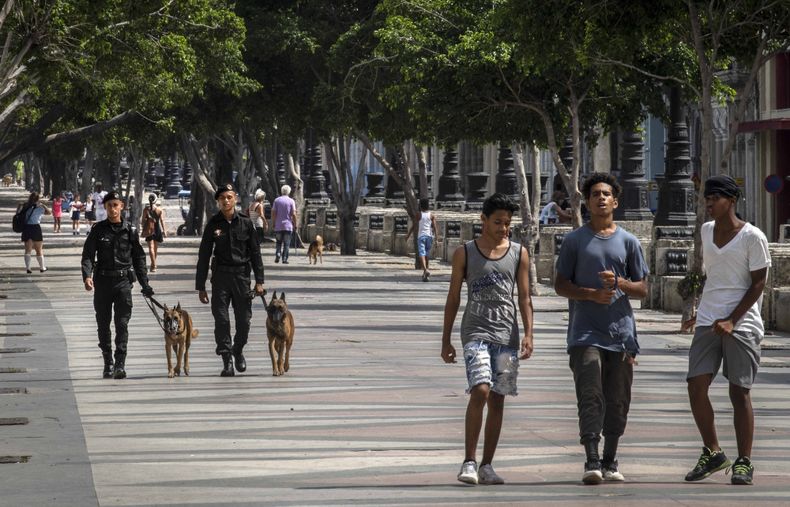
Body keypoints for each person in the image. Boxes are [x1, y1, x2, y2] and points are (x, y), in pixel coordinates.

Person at [554, 172, 649, 485]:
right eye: (595, 193)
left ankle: (611, 459)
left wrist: (620, 283)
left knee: (618, 398)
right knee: (591, 394)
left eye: (606, 193)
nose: (601, 198)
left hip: (621, 337)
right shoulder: (574, 241)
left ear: (616, 201)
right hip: (584, 334)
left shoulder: (629, 242)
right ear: (587, 201)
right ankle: (591, 458)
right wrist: (591, 294)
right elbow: (560, 285)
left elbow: (643, 289)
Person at [682, 175, 770, 486]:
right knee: (696, 385)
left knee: (739, 392)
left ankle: (744, 461)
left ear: (731, 201)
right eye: (707, 197)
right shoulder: (706, 231)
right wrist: (695, 310)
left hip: (742, 324)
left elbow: (758, 283)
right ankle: (714, 452)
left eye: (715, 197)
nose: (709, 203)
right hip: (708, 319)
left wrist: (732, 319)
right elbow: (710, 275)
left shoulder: (752, 236)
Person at [441, 193, 534, 485]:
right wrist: (446, 339)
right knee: (481, 390)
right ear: (483, 220)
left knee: (498, 399)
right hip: (475, 332)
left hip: (507, 335)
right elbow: (454, 297)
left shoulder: (519, 253)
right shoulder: (465, 253)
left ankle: (487, 465)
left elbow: (525, 296)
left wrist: (529, 333)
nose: (503, 228)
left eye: (507, 223)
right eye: (497, 222)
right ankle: (468, 461)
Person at [81, 190, 153, 379]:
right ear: (104, 207)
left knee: (122, 324)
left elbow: (139, 258)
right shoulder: (98, 230)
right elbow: (88, 254)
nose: (112, 209)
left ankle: (120, 363)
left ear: (122, 206)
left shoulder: (130, 230)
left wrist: (145, 284)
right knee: (103, 324)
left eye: (116, 205)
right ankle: (108, 362)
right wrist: (86, 276)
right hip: (103, 282)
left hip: (123, 283)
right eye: (109, 205)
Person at [196, 183, 265, 376]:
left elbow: (256, 253)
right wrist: (200, 286)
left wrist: (259, 281)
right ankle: (227, 359)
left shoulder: (245, 222)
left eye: (229, 197)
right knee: (222, 319)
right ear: (217, 201)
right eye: (222, 198)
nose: (226, 201)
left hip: (242, 277)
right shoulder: (213, 224)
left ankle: (238, 349)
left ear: (235, 198)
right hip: (220, 278)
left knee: (244, 321)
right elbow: (203, 256)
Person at [405, 198, 440, 282]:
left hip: (421, 237)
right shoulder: (431, 215)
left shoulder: (419, 215)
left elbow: (414, 226)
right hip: (429, 237)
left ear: (420, 206)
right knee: (426, 255)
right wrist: (437, 239)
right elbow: (435, 228)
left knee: (422, 254)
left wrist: (408, 235)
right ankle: (425, 274)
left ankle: (425, 270)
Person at [18, 192, 51, 273]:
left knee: (27, 249)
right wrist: (43, 205)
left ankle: (28, 268)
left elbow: (18, 214)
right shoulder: (39, 208)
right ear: (38, 199)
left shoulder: (25, 206)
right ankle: (42, 267)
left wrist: (20, 206)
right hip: (36, 228)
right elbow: (49, 213)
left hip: (27, 228)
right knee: (39, 250)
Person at [271, 184, 297, 264]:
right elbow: (294, 214)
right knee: (286, 243)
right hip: (288, 226)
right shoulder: (291, 201)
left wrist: (274, 223)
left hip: (278, 226)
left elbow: (273, 213)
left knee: (278, 242)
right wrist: (295, 224)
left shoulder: (277, 200)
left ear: (282, 191)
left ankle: (278, 254)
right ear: (289, 192)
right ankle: (285, 258)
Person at [141, 194, 166, 272]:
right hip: (157, 229)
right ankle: (154, 264)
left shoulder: (146, 209)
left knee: (150, 248)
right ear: (156, 200)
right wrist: (164, 231)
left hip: (149, 229)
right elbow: (162, 221)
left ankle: (153, 265)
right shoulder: (159, 210)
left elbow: (142, 221)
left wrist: (144, 226)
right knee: (155, 248)